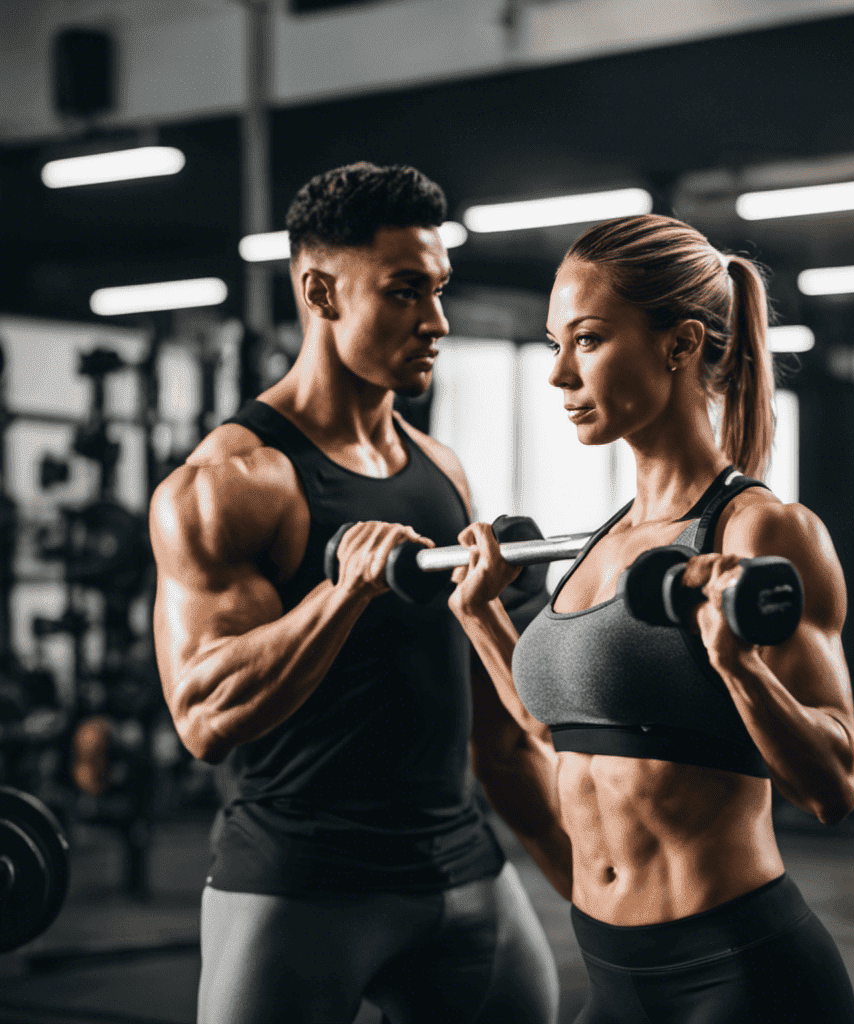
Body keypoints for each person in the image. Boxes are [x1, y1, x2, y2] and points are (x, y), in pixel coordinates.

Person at [150, 162, 558, 1024]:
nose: (437, 321)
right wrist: (342, 595)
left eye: (440, 290)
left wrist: (596, 884)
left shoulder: (442, 470)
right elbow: (204, 716)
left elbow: (497, 730)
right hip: (302, 888)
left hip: (463, 875)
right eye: (406, 292)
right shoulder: (230, 482)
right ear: (321, 292)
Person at [447, 214, 854, 1023]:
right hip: (611, 973)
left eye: (589, 340)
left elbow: (836, 783)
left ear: (679, 344)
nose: (560, 374)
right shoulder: (605, 540)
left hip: (739, 974)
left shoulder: (759, 530)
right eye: (554, 343)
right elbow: (555, 732)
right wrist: (482, 616)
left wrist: (738, 666)